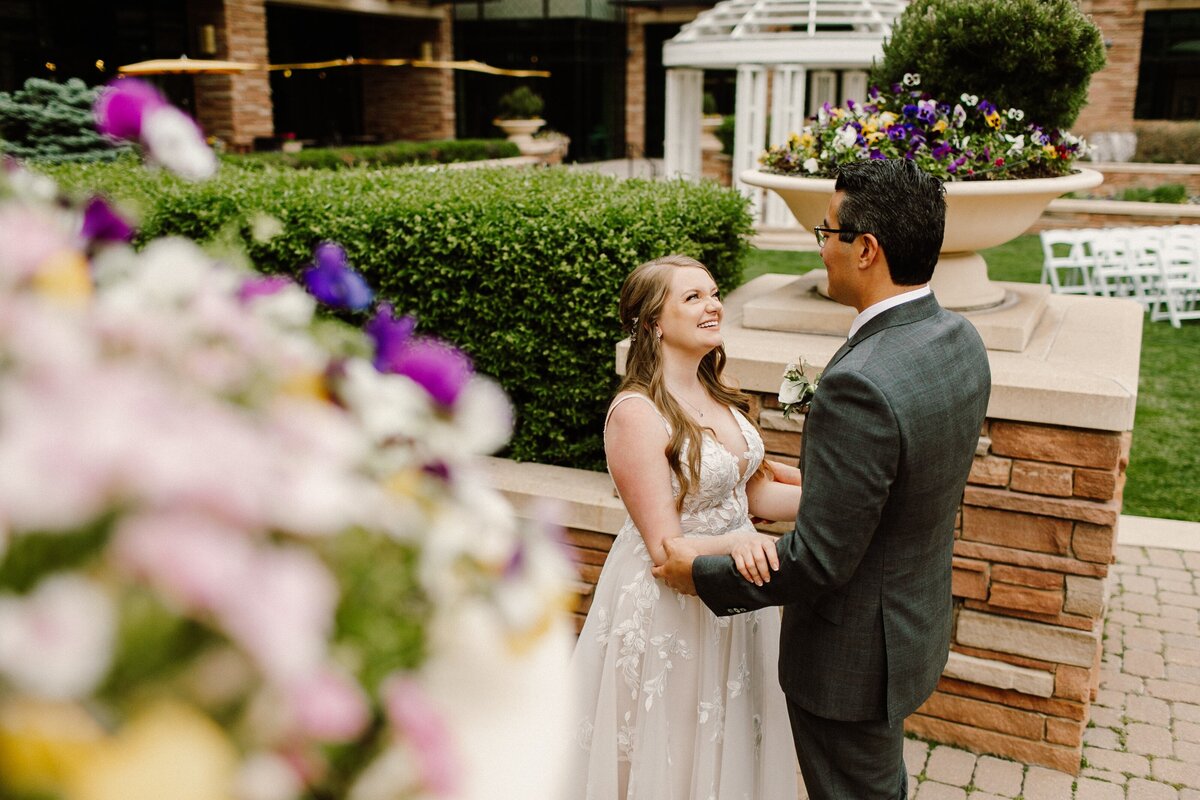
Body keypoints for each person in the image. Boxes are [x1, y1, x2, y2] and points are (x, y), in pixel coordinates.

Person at [654, 159, 992, 800]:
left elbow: (817, 562)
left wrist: (696, 576)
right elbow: (908, 473)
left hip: (852, 660)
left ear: (866, 249)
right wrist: (829, 481)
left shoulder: (860, 382)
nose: (822, 248)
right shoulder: (958, 338)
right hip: (911, 626)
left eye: (827, 232)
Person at [564, 254, 804, 799]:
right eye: (692, 297)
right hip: (670, 606)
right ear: (653, 323)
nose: (713, 304)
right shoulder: (636, 412)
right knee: (670, 750)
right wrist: (742, 539)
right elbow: (663, 545)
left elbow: (747, 491)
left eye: (714, 293)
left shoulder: (716, 392)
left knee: (728, 741)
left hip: (732, 593)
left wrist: (844, 501)